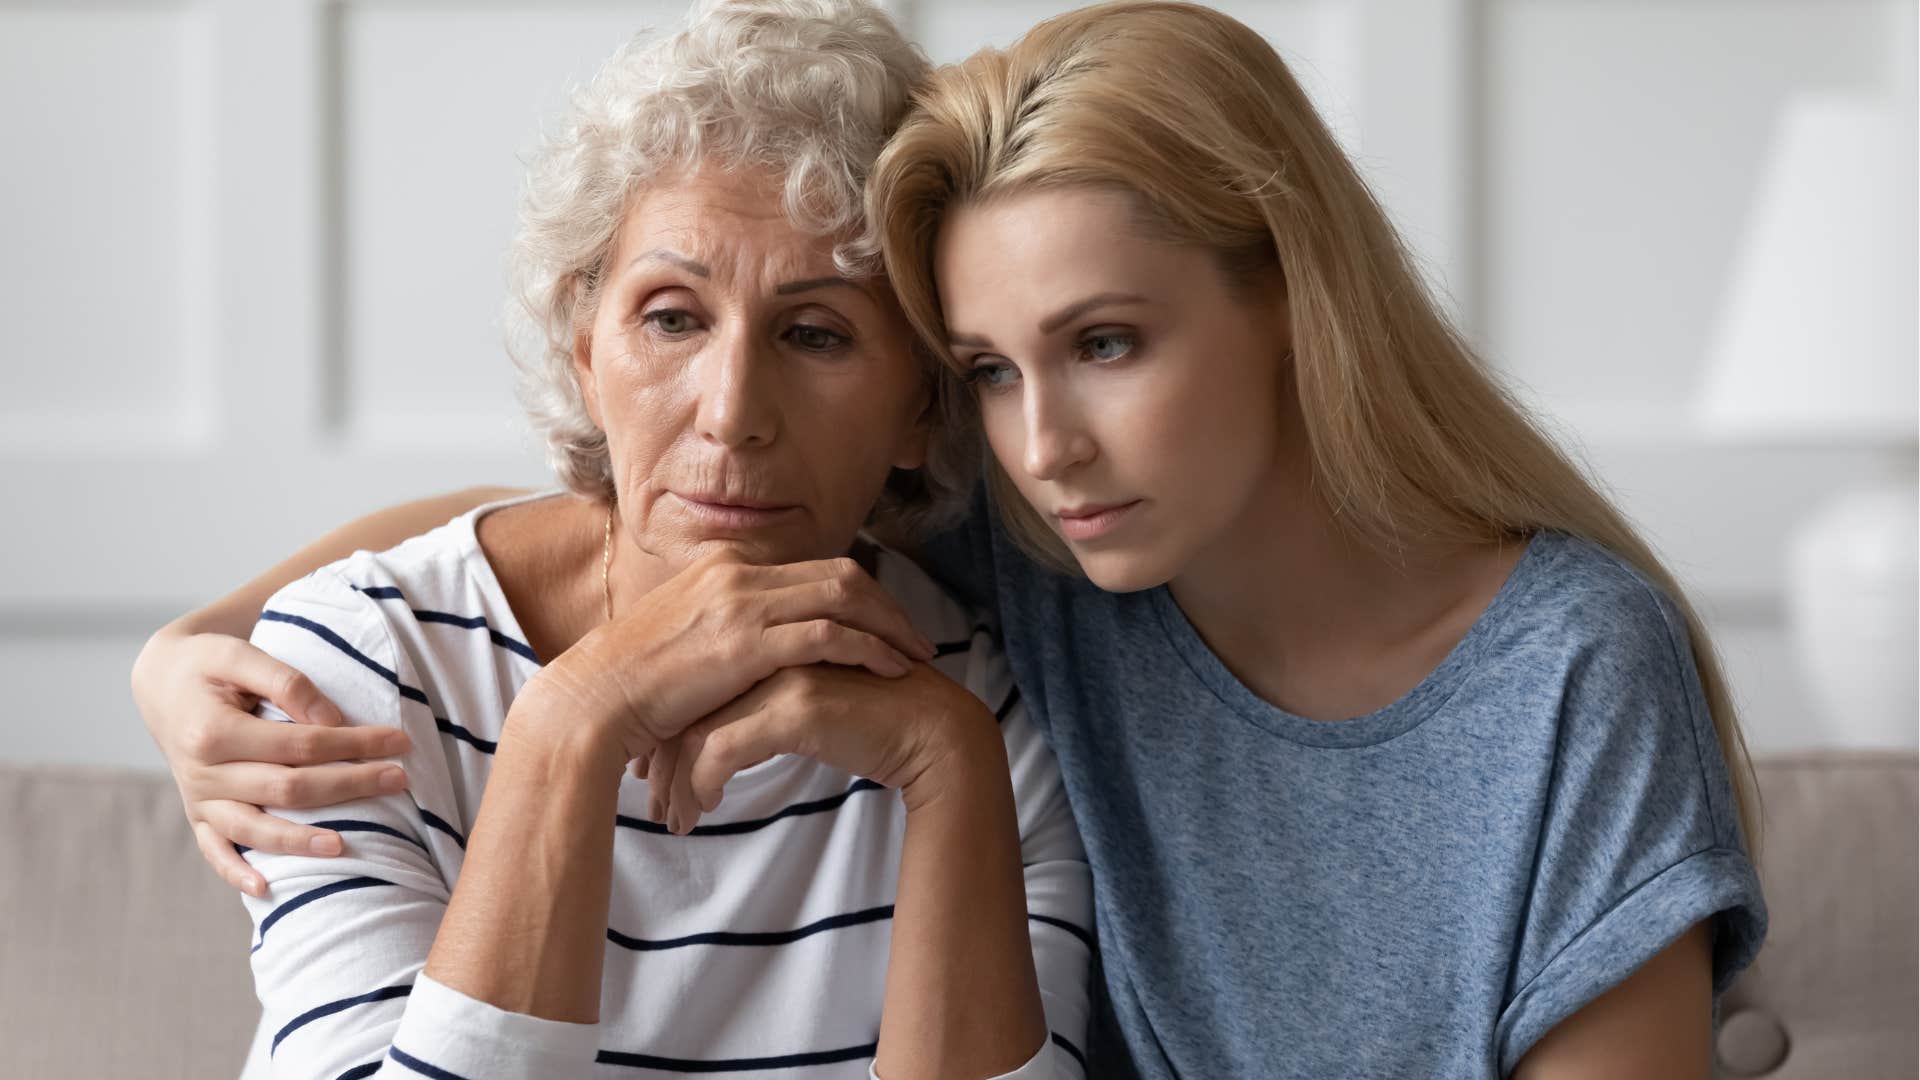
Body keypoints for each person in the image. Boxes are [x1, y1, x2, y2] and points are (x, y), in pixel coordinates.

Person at [134, 2, 1765, 1077]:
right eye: (991, 369)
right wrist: (186, 650)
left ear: (1292, 301)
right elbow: (646, 512)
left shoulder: (1551, 667)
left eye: (1109, 341)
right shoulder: (1065, 557)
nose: (1044, 441)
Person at [129, 2, 1093, 1077]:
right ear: (587, 353)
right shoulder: (374, 670)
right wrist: (571, 727)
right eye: (672, 318)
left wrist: (947, 765)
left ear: (922, 403)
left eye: (816, 333)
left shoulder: (979, 713)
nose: (731, 411)